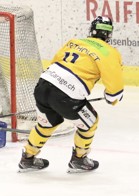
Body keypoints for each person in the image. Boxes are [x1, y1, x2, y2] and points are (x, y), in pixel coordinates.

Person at [18, 16, 124, 173]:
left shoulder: (74, 42)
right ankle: (79, 160)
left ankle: (27, 158)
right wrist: (112, 98)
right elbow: (114, 88)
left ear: (91, 30)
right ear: (109, 34)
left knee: (47, 124)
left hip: (43, 85)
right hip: (65, 95)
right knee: (90, 122)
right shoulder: (109, 52)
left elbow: (55, 61)